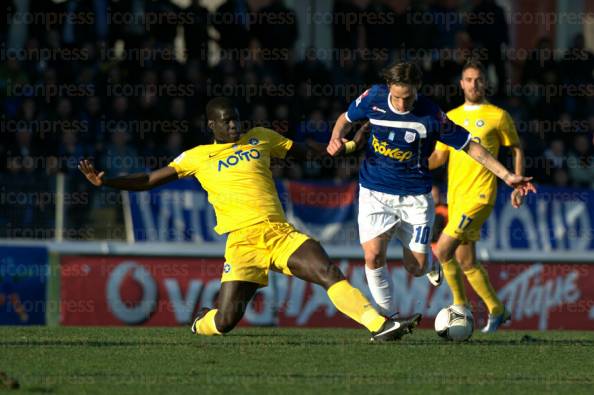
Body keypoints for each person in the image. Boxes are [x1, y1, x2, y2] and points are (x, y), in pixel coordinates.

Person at [79, 97, 421, 341]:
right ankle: (202, 323)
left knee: (327, 271)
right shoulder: (197, 156)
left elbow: (305, 151)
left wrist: (345, 148)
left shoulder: (260, 137)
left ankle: (379, 325)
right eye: (226, 120)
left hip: (279, 232)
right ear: (211, 124)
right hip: (242, 242)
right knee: (227, 321)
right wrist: (107, 181)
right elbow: (151, 179)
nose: (234, 124)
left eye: (236, 118)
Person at [326, 62, 535, 317]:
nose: (403, 104)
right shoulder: (373, 98)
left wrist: (507, 175)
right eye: (398, 97)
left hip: (415, 196)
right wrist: (335, 137)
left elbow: (472, 147)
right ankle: (386, 320)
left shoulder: (431, 115)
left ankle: (432, 264)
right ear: (389, 87)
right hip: (375, 190)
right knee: (373, 256)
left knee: (416, 267)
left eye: (409, 97)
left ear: (417, 89)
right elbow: (345, 120)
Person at [428, 59, 532, 332]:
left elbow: (516, 149)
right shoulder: (450, 118)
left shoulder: (498, 116)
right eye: (469, 79)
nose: (474, 84)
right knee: (466, 261)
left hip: (481, 196)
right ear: (461, 84)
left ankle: (459, 307)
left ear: (485, 83)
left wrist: (516, 184)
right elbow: (439, 156)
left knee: (442, 249)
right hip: (456, 198)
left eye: (478, 79)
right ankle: (497, 309)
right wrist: (410, 162)